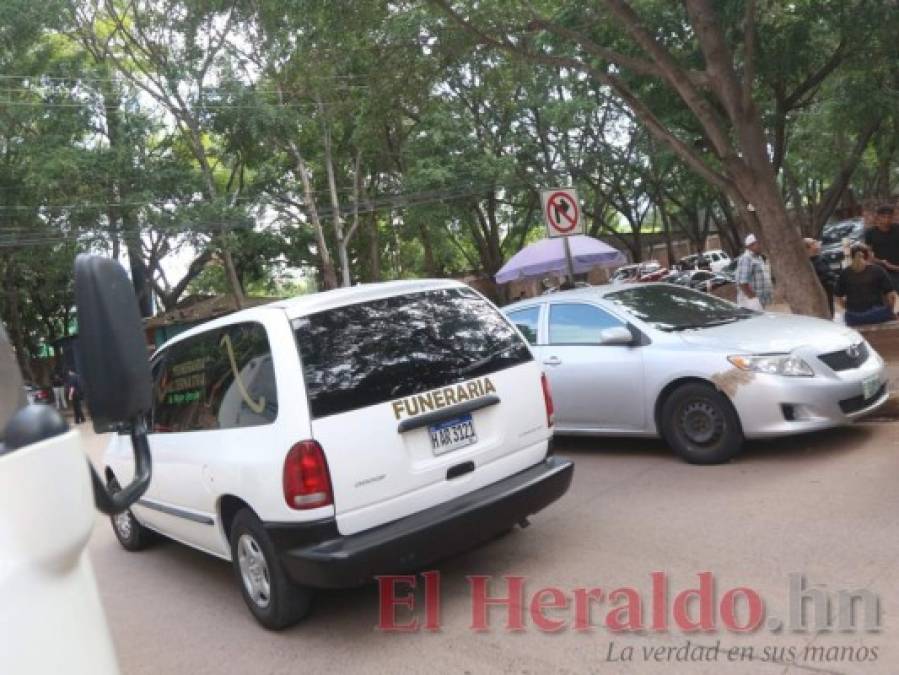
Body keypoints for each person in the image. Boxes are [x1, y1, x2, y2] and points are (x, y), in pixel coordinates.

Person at [834, 244, 897, 327]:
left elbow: (838, 298)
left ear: (851, 256)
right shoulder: (878, 270)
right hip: (877, 315)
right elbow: (891, 296)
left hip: (853, 318)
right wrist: (891, 311)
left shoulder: (844, 273)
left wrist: (848, 310)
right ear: (869, 255)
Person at [864, 204, 899, 292]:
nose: (886, 220)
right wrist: (883, 263)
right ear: (878, 217)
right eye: (883, 217)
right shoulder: (870, 233)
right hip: (884, 270)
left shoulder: (897, 228)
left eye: (889, 217)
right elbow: (868, 255)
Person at [735, 234, 773, 310]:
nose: (760, 246)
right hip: (751, 303)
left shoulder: (758, 258)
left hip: (759, 301)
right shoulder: (746, 258)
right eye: (758, 244)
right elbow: (743, 283)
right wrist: (753, 298)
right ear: (750, 246)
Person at [804, 237, 837, 318]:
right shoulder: (807, 263)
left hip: (828, 292)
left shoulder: (822, 258)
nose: (816, 242)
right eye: (813, 242)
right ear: (808, 248)